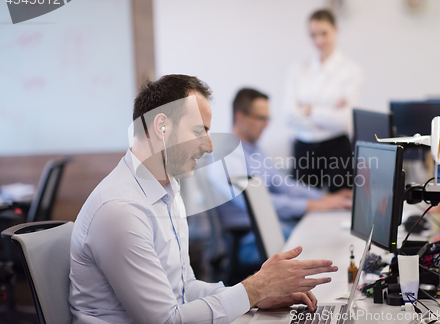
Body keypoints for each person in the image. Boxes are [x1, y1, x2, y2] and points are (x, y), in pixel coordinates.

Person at [69, 75, 338, 323]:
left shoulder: (168, 191)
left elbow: (185, 288)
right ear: (162, 126)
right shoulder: (120, 209)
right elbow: (167, 320)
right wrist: (255, 288)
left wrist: (255, 296)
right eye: (199, 131)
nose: (209, 145)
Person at [208, 88, 352, 264]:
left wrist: (325, 198)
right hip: (249, 238)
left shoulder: (252, 148)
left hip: (271, 225)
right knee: (318, 243)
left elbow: (283, 183)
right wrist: (313, 205)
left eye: (268, 118)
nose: (266, 124)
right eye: (261, 118)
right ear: (240, 117)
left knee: (324, 234)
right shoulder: (227, 155)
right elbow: (258, 204)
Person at [285, 9, 363, 193]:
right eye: (313, 35)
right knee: (303, 204)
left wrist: (310, 110)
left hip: (338, 148)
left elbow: (346, 120)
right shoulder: (298, 69)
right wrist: (329, 114)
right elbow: (289, 115)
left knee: (342, 202)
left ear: (336, 30)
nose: (319, 40)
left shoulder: (351, 70)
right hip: (304, 148)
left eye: (324, 33)